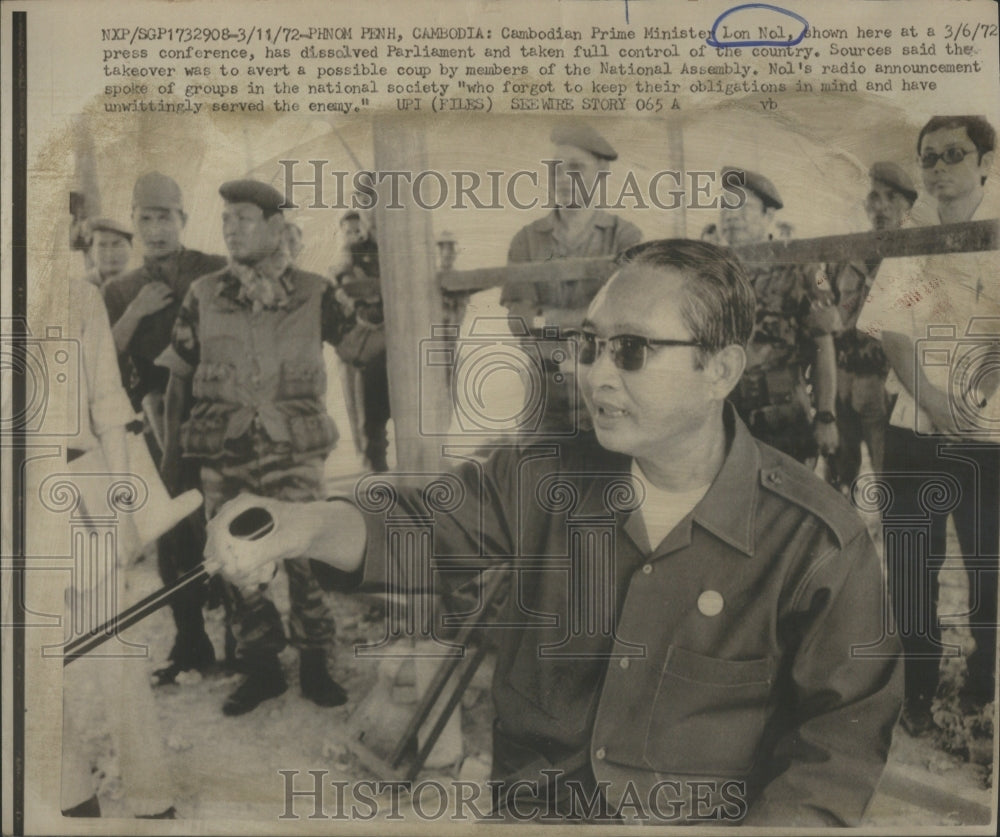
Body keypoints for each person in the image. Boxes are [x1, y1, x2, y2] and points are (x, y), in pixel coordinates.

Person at [206, 239, 902, 825]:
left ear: (719, 369)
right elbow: (407, 527)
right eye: (591, 345)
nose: (594, 372)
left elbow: (835, 753)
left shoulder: (816, 541)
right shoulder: (539, 477)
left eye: (630, 351)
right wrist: (297, 524)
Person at [156, 179, 356, 716]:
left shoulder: (316, 292)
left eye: (243, 217)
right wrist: (173, 459)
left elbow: (365, 348)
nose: (231, 228)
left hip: (296, 449)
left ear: (274, 225)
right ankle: (261, 666)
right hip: (226, 453)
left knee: (306, 556)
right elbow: (179, 377)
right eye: (225, 220)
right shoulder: (203, 294)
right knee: (239, 561)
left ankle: (316, 659)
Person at [857, 115, 999, 735]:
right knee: (912, 566)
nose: (940, 168)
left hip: (989, 432)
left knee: (988, 567)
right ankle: (915, 693)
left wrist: (969, 401)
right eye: (930, 159)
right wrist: (937, 402)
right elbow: (891, 329)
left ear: (986, 162)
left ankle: (980, 690)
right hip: (915, 426)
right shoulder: (910, 239)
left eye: (954, 155)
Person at [57, 278, 175, 819]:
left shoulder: (74, 293)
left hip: (78, 481)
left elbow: (108, 402)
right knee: (22, 658)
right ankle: (68, 794)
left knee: (114, 646)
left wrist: (124, 504)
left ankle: (152, 797)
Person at [102, 172, 226, 686]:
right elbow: (102, 363)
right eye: (145, 218)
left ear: (183, 219)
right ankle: (190, 640)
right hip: (159, 424)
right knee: (174, 534)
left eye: (165, 217)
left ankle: (248, 643)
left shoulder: (216, 269)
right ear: (134, 223)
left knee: (228, 519)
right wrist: (133, 313)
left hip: (221, 414)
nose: (155, 229)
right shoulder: (120, 289)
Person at [501, 122, 642, 434]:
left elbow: (625, 317)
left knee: (610, 476)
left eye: (576, 169)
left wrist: (548, 318)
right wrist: (588, 321)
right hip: (545, 388)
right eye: (556, 169)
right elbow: (519, 322)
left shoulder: (625, 237)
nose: (564, 179)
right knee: (537, 473)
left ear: (602, 175)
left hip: (606, 387)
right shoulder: (526, 241)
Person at [720, 167, 841, 464]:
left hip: (784, 413)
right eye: (725, 207)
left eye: (742, 207)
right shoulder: (712, 273)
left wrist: (826, 416)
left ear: (768, 216)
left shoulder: (800, 267)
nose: (731, 216)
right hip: (728, 416)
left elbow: (822, 345)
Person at [825, 162, 917, 491]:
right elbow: (830, 303)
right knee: (838, 478)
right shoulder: (848, 254)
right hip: (844, 381)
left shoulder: (916, 255)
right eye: (874, 198)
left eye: (892, 198)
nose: (881, 207)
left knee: (889, 477)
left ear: (908, 206)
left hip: (886, 384)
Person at [331, 210, 390, 472]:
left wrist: (373, 290)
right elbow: (346, 286)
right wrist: (376, 290)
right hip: (363, 336)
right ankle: (368, 459)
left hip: (394, 333)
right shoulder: (353, 251)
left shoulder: (396, 247)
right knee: (360, 405)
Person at [81, 217, 133, 289]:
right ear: (91, 251)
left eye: (117, 245)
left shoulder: (143, 284)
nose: (110, 253)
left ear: (131, 246)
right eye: (102, 246)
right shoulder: (82, 286)